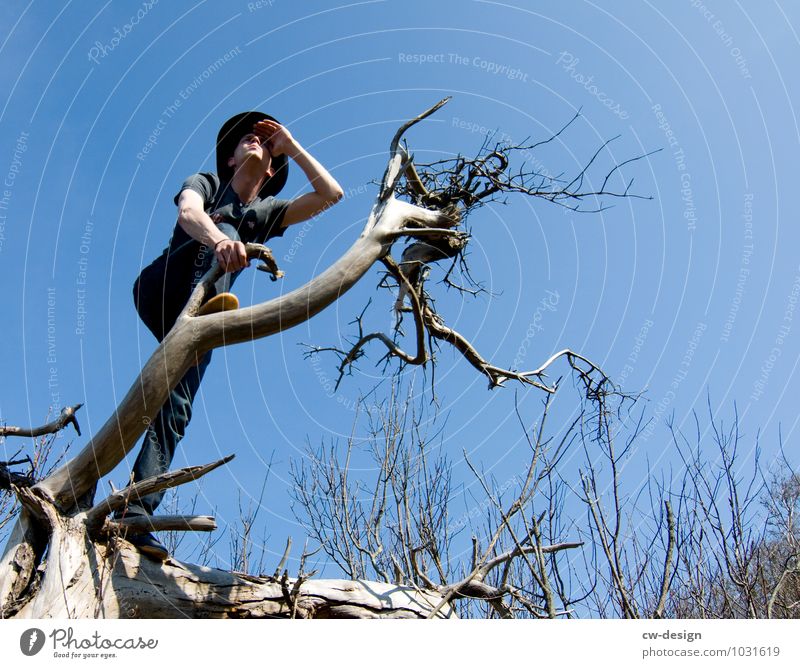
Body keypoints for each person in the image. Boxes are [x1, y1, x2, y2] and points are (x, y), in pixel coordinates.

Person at [124, 111, 343, 560]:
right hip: (162, 285)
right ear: (229, 158)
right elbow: (188, 212)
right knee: (222, 227)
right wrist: (218, 239)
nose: (256, 142)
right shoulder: (207, 181)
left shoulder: (266, 213)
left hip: (204, 314)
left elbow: (331, 194)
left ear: (270, 171)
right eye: (248, 138)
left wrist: (292, 146)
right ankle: (205, 316)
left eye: (264, 142)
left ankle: (134, 515)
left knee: (177, 407)